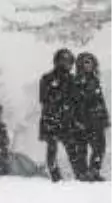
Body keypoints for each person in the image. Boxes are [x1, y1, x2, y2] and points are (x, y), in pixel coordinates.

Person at [40, 48, 83, 183]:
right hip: (51, 119)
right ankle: (55, 175)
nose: (66, 64)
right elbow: (44, 99)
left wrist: (76, 117)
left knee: (72, 149)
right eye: (63, 60)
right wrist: (59, 98)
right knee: (52, 148)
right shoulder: (47, 78)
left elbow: (76, 100)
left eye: (69, 61)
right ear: (56, 61)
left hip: (67, 120)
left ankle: (79, 174)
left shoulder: (72, 79)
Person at [73, 52, 108, 181]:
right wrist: (77, 120)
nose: (89, 64)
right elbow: (75, 103)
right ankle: (82, 173)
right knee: (81, 148)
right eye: (86, 62)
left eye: (90, 62)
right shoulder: (76, 81)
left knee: (100, 147)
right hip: (82, 121)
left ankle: (94, 171)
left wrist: (104, 118)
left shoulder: (94, 80)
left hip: (96, 120)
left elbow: (100, 101)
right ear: (80, 64)